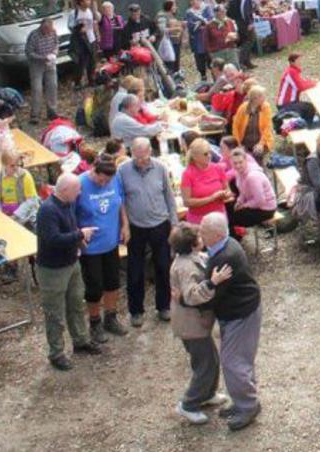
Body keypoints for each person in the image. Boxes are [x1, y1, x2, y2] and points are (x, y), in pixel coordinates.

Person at [197, 212, 263, 431]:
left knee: (233, 362)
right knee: (239, 359)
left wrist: (186, 299)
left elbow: (210, 297)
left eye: (204, 232)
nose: (200, 234)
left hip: (241, 314)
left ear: (216, 235)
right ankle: (243, 400)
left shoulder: (223, 258)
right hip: (237, 311)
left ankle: (248, 405)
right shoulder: (227, 244)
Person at [36, 173, 103, 370]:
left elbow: (70, 227)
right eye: (76, 190)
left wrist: (79, 241)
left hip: (71, 263)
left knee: (76, 304)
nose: (79, 193)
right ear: (65, 190)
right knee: (54, 312)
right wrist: (80, 234)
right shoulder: (48, 210)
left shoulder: (67, 204)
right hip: (53, 269)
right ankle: (56, 353)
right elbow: (53, 239)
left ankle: (81, 340)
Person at [169, 222, 231, 425]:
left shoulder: (191, 258)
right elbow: (192, 296)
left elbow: (205, 260)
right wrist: (213, 282)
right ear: (192, 243)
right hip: (191, 326)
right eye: (199, 236)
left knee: (210, 360)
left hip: (197, 325)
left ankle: (207, 394)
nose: (202, 238)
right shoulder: (185, 267)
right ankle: (189, 404)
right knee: (205, 365)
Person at [118, 137, 178, 326]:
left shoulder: (160, 168)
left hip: (160, 224)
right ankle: (136, 310)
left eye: (144, 158)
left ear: (150, 152)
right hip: (136, 227)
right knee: (135, 270)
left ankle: (164, 306)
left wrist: (174, 223)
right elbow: (120, 201)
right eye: (137, 158)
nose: (141, 162)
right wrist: (124, 225)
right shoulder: (123, 170)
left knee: (163, 266)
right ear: (131, 153)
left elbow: (169, 196)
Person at [76, 155, 130, 343]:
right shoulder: (80, 184)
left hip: (111, 241)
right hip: (90, 247)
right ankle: (94, 322)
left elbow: (120, 202)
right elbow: (71, 214)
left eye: (107, 181)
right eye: (101, 180)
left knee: (112, 282)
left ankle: (111, 317)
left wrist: (125, 225)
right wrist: (77, 237)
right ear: (93, 170)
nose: (104, 183)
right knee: (94, 286)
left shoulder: (115, 180)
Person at [180, 138, 232, 225]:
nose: (209, 156)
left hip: (219, 216)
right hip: (198, 220)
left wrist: (225, 195)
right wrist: (211, 198)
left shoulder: (218, 168)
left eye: (210, 152)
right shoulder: (187, 174)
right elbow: (187, 202)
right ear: (195, 157)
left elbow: (228, 190)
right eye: (205, 154)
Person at [229, 147, 277, 229]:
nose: (238, 165)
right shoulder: (239, 172)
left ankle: (235, 234)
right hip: (254, 203)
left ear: (245, 161)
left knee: (232, 219)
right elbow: (243, 191)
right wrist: (239, 201)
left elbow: (260, 201)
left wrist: (244, 206)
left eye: (240, 162)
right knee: (230, 208)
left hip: (266, 208)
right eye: (235, 163)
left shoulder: (252, 176)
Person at [231, 85, 274, 162]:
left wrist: (261, 144)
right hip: (244, 142)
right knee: (242, 157)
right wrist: (238, 144)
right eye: (262, 96)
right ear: (255, 98)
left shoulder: (266, 107)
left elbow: (268, 127)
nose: (264, 98)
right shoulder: (243, 108)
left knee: (257, 154)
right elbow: (235, 126)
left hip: (261, 141)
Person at [69, 0, 98, 87]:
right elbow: (70, 26)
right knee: (80, 62)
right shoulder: (74, 13)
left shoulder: (90, 11)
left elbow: (94, 23)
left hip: (91, 39)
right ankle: (77, 82)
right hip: (80, 41)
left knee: (92, 61)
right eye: (86, 0)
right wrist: (79, 29)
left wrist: (97, 35)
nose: (88, 2)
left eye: (89, 0)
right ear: (81, 2)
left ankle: (91, 80)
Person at [227, 0, 257, 69]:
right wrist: (249, 22)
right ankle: (240, 62)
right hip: (243, 21)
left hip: (239, 20)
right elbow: (243, 9)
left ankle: (247, 62)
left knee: (244, 40)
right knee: (249, 40)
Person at [183, 0, 214, 80]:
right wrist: (198, 24)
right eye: (191, 1)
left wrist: (204, 23)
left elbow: (211, 19)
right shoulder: (189, 12)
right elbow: (190, 24)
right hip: (197, 39)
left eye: (195, 0)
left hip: (208, 38)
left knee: (211, 59)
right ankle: (203, 77)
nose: (193, 3)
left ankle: (215, 77)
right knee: (200, 60)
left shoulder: (207, 8)